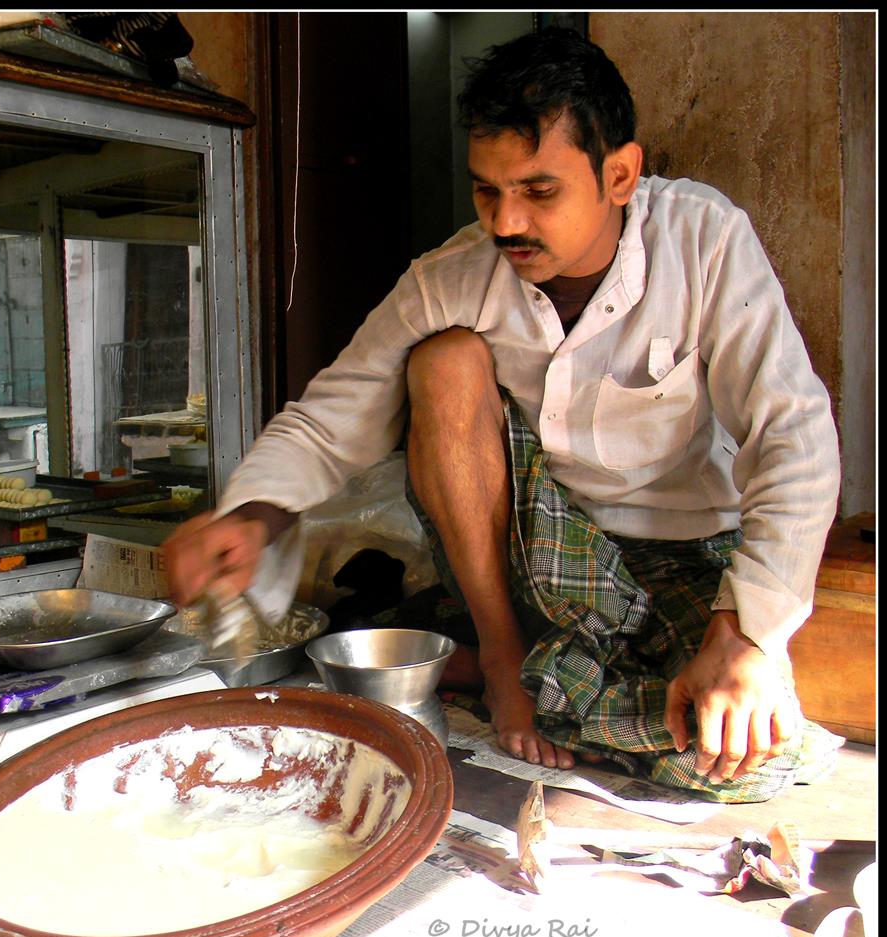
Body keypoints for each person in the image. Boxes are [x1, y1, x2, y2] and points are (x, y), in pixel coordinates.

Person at [164, 27, 842, 803]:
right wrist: (248, 519)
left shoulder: (704, 241)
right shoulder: (451, 276)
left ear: (618, 174)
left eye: (538, 190)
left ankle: (525, 671)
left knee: (735, 758)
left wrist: (743, 635)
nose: (506, 222)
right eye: (487, 189)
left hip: (684, 548)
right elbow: (330, 417)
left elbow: (791, 433)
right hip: (541, 550)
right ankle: (496, 654)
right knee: (443, 360)